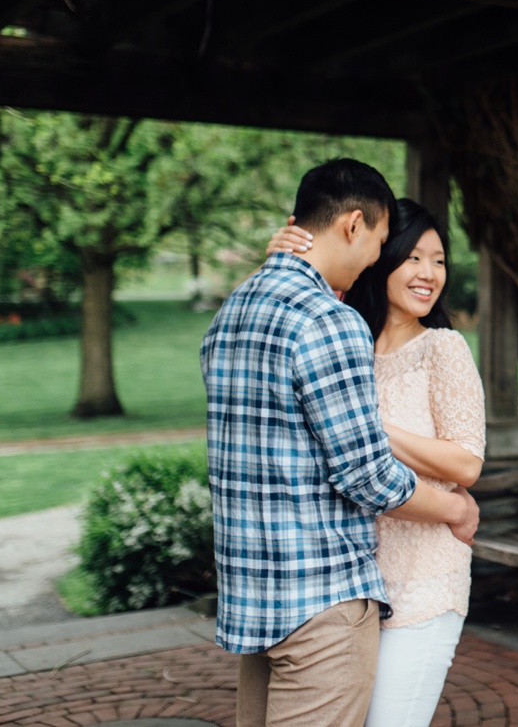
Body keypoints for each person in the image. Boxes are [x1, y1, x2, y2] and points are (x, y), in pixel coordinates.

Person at [201, 159, 479, 727]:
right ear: (354, 226)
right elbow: (366, 475)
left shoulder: (232, 312)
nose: (381, 258)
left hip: (264, 592)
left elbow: (461, 457)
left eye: (438, 259)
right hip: (324, 592)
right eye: (391, 247)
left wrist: (275, 263)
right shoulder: (334, 322)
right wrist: (454, 506)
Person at [268, 197, 484, 727]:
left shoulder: (443, 348)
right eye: (413, 257)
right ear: (379, 258)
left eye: (438, 260)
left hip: (425, 578)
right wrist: (275, 257)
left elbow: (466, 464)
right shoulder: (345, 339)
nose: (428, 273)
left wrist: (366, 427)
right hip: (350, 587)